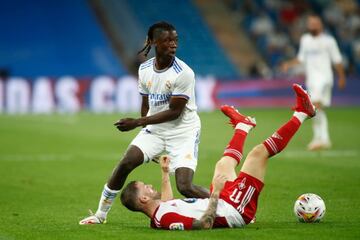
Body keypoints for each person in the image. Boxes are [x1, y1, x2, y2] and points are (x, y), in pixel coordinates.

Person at [120, 84, 316, 230]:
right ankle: (302, 113)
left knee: (223, 165)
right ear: (144, 198)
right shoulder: (166, 219)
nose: (149, 186)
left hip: (223, 201)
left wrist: (164, 173)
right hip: (234, 210)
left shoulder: (159, 214)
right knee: (258, 154)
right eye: (145, 187)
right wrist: (215, 193)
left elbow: (167, 202)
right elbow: (203, 224)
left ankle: (243, 126)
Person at [79, 21, 209, 225]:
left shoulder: (184, 73)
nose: (173, 44)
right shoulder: (145, 69)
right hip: (155, 130)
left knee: (184, 186)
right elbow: (146, 104)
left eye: (175, 40)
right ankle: (100, 215)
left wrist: (137, 122)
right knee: (126, 163)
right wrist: (146, 129)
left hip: (183, 131)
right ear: (152, 42)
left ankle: (229, 206)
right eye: (167, 40)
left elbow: (175, 112)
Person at [281, 15, 346, 151]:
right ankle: (322, 139)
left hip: (324, 78)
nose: (312, 26)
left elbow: (337, 60)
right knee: (317, 108)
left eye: (315, 24)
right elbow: (301, 58)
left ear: (321, 25)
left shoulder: (329, 41)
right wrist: (289, 64)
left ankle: (320, 139)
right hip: (312, 79)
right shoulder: (305, 40)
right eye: (310, 24)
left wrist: (341, 77)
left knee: (314, 107)